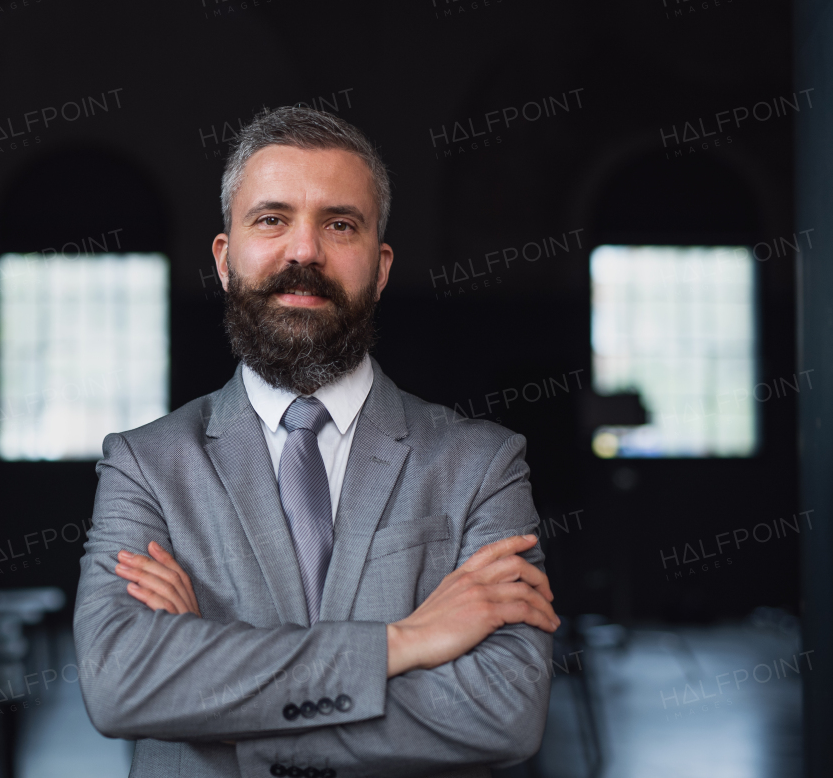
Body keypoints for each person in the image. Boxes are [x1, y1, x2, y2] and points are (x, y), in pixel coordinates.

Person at [73, 106, 557, 778]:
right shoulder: (144, 466)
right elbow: (120, 683)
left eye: (340, 224)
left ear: (381, 267)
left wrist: (209, 687)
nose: (305, 250)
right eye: (272, 219)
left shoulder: (483, 464)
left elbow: (505, 709)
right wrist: (403, 641)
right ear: (224, 257)